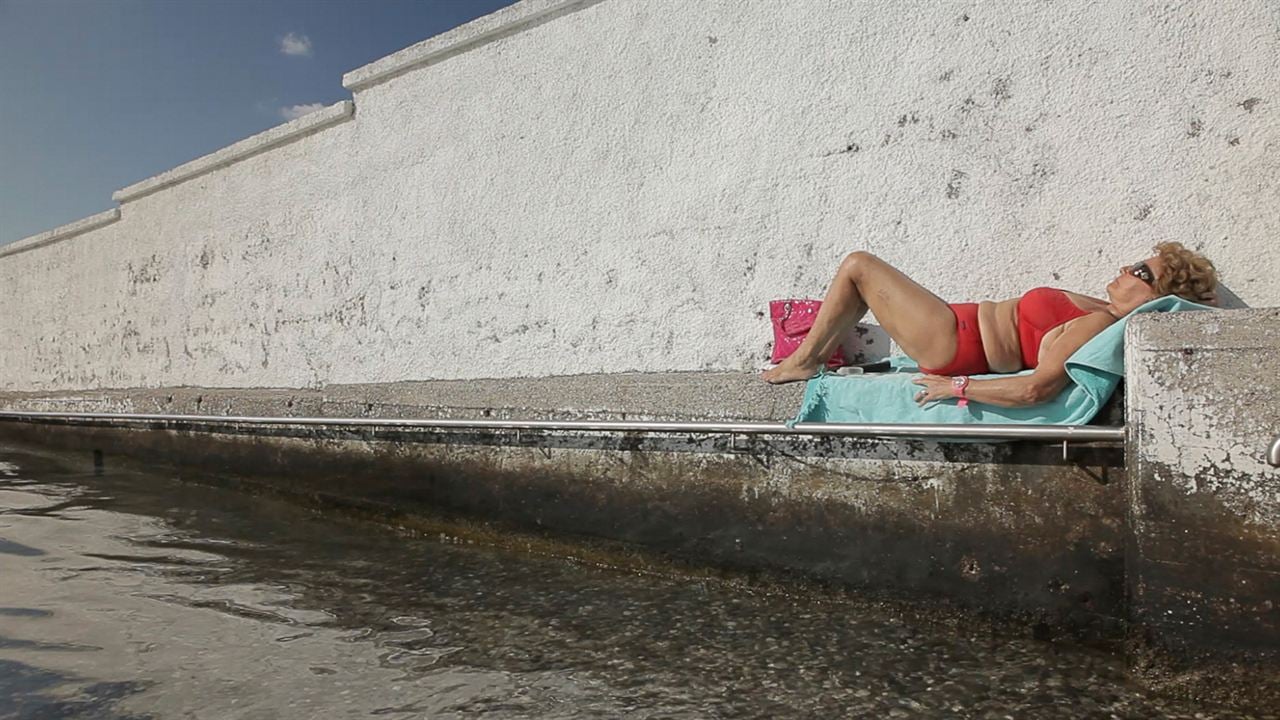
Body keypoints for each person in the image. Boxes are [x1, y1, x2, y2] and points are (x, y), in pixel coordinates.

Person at [761, 242, 1217, 408]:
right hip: (952, 329)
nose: (1127, 268)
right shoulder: (1098, 310)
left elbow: (1036, 389)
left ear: (1162, 296)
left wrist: (956, 387)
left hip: (953, 343)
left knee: (859, 265)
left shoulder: (1096, 324)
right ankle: (804, 357)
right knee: (859, 269)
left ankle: (803, 361)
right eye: (1135, 262)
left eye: (1142, 272)